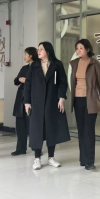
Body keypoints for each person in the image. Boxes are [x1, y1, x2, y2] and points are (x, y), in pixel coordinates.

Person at [25, 41, 70, 170]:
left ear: (48, 51)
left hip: (52, 101)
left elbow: (62, 83)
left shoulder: (57, 64)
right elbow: (28, 85)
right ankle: (37, 159)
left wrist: (61, 98)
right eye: (38, 49)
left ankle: (51, 157)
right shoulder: (34, 66)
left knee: (51, 129)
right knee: (37, 130)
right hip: (36, 102)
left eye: (41, 49)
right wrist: (27, 102)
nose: (38, 52)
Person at [70, 39, 100, 170]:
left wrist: (93, 93)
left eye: (81, 48)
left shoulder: (95, 63)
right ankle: (83, 159)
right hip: (77, 99)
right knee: (81, 130)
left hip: (90, 100)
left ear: (88, 49)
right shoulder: (75, 63)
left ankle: (90, 161)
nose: (78, 50)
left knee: (89, 130)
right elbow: (73, 82)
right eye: (77, 48)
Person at [11, 47, 38, 156]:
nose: (24, 56)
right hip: (21, 98)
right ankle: (20, 149)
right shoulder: (24, 68)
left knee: (33, 125)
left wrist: (27, 81)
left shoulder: (38, 67)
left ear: (31, 55)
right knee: (20, 125)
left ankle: (36, 149)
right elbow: (15, 81)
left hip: (32, 98)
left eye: (25, 54)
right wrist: (19, 80)